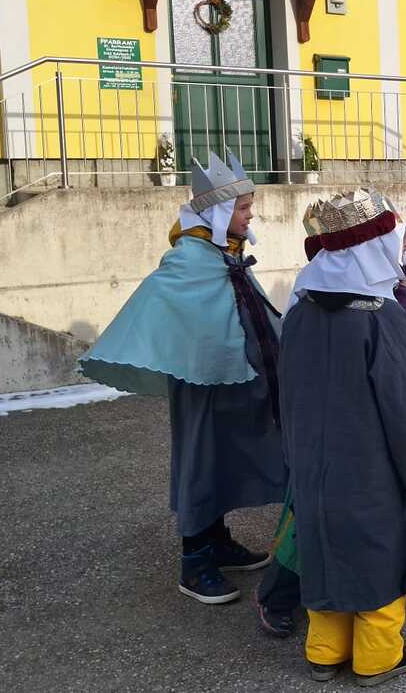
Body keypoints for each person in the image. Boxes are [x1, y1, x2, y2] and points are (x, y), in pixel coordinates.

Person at [79, 152, 284, 604]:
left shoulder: (225, 254)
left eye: (250, 206)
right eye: (244, 208)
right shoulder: (189, 260)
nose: (251, 215)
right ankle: (195, 562)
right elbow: (163, 308)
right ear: (219, 213)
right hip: (203, 389)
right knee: (201, 464)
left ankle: (218, 541)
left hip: (236, 383)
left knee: (226, 461)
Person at [269, 188, 406, 685]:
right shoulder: (382, 317)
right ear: (372, 247)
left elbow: (287, 393)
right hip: (372, 467)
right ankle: (376, 655)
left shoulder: (299, 311)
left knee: (324, 542)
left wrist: (297, 457)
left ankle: (325, 649)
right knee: (378, 546)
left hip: (313, 463)